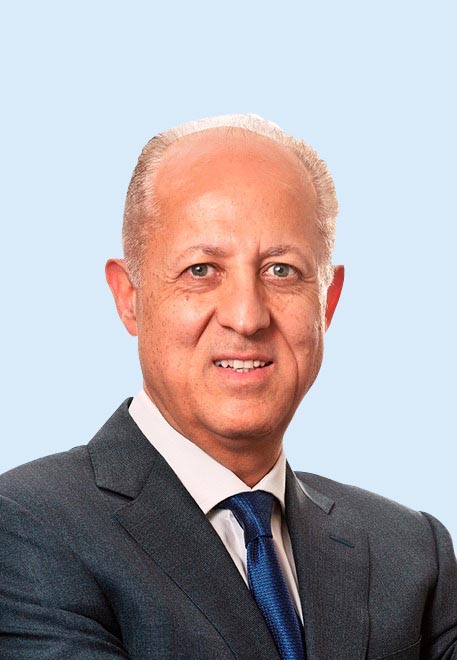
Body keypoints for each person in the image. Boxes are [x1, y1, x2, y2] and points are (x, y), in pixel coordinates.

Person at [0, 114, 455, 660]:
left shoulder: (412, 552)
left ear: (327, 303)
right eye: (201, 270)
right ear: (129, 297)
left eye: (282, 271)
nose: (247, 316)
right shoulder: (26, 526)